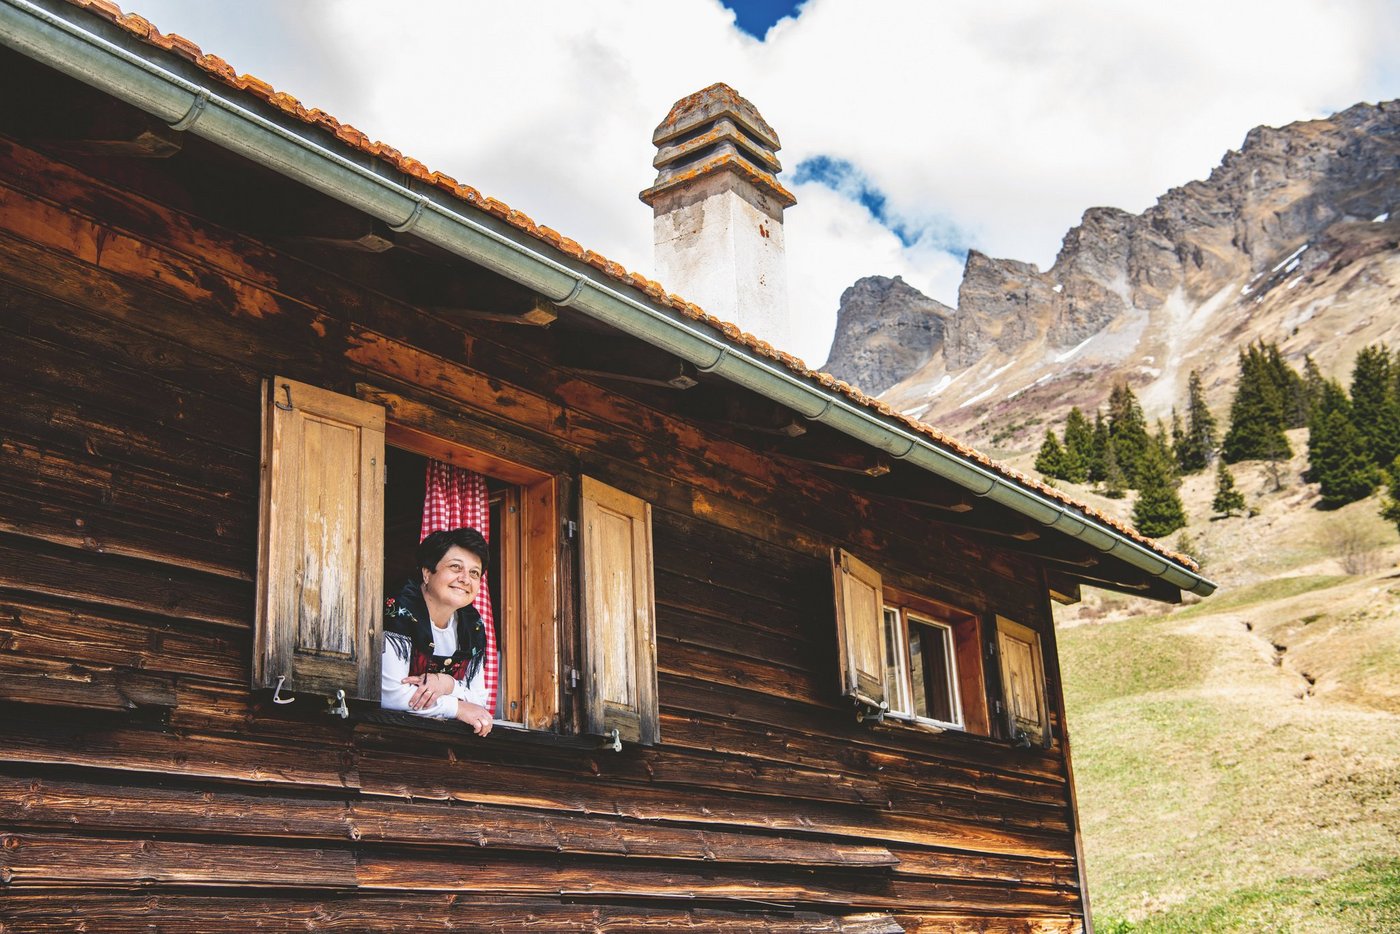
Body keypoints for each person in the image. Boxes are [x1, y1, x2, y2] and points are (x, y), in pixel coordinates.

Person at [381, 528, 495, 736]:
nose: (465, 579)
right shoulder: (398, 610)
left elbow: (479, 701)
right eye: (455, 567)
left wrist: (448, 684)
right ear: (427, 572)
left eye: (474, 573)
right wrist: (457, 707)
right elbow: (391, 695)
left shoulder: (473, 624)